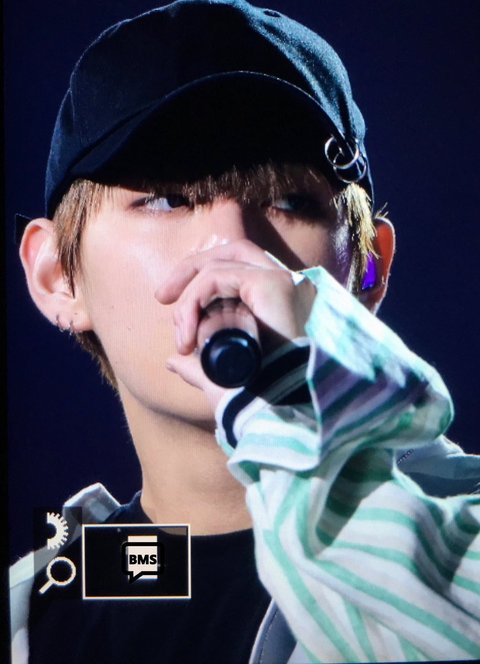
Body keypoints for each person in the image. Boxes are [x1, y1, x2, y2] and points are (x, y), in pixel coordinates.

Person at [9, 0, 480, 662]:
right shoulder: (37, 613)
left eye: (288, 201)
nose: (233, 251)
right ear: (59, 275)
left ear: (369, 268)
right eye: (167, 199)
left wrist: (303, 406)